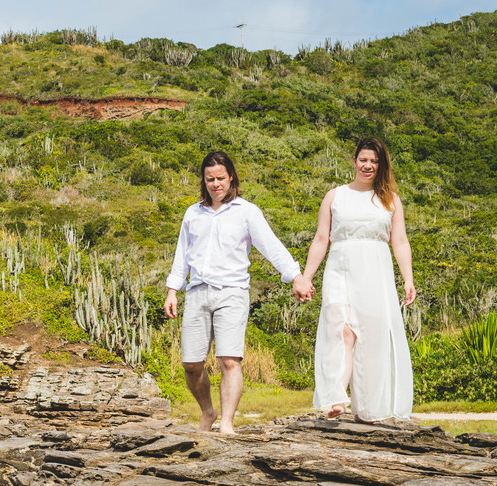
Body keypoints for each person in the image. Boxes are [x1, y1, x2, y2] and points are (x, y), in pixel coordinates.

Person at [164, 151, 312, 434]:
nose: (215, 184)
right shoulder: (193, 213)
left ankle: (227, 423)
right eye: (210, 179)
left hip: (232, 292)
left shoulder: (247, 211)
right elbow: (181, 254)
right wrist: (173, 290)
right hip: (197, 292)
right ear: (203, 181)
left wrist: (297, 277)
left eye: (220, 178)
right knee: (191, 364)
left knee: (229, 359)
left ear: (231, 177)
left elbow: (271, 246)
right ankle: (208, 411)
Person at [300, 137, 415, 422]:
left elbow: (399, 241)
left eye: (374, 161)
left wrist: (408, 280)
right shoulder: (334, 196)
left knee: (373, 337)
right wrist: (306, 277)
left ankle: (370, 408)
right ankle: (337, 396)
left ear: (381, 165)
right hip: (340, 268)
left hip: (376, 271)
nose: (368, 165)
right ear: (354, 162)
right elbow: (321, 239)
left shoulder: (390, 200)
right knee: (341, 330)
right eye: (363, 160)